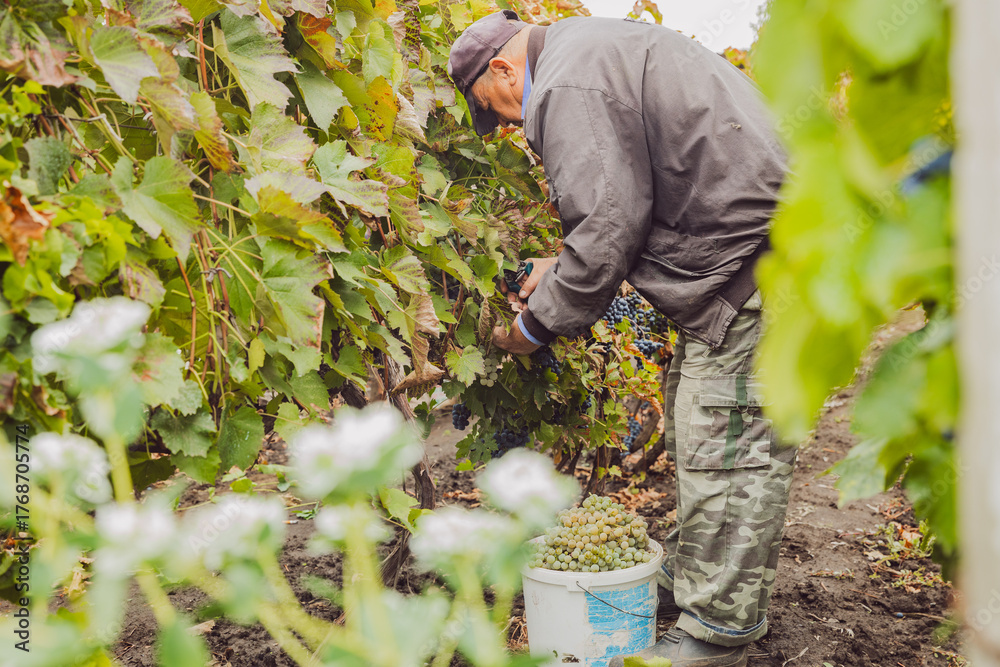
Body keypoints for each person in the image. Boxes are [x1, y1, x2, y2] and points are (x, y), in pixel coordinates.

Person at [448, 10, 794, 667]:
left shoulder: (561, 87)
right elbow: (625, 204)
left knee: (727, 438)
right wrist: (560, 267)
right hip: (744, 266)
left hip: (760, 269)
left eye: (500, 111)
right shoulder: (587, 52)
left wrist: (531, 327)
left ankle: (717, 631)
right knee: (698, 420)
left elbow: (607, 227)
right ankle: (698, 574)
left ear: (502, 68)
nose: (513, 128)